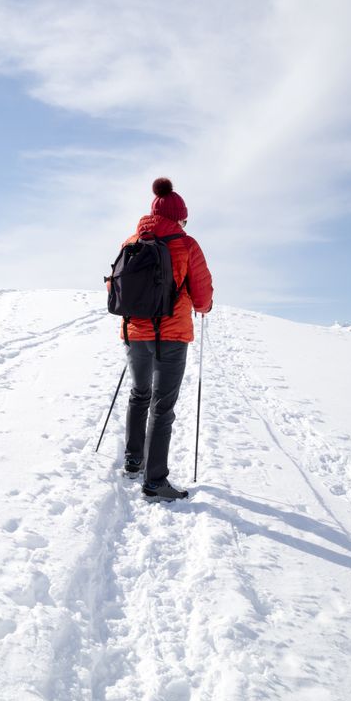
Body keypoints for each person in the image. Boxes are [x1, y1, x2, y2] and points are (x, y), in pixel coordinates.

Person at [121, 177, 213, 500]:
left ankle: (133, 461)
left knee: (139, 394)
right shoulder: (186, 244)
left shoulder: (131, 241)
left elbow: (115, 287)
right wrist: (205, 306)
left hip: (135, 333)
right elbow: (202, 298)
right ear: (178, 216)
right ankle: (155, 480)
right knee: (163, 407)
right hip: (171, 336)